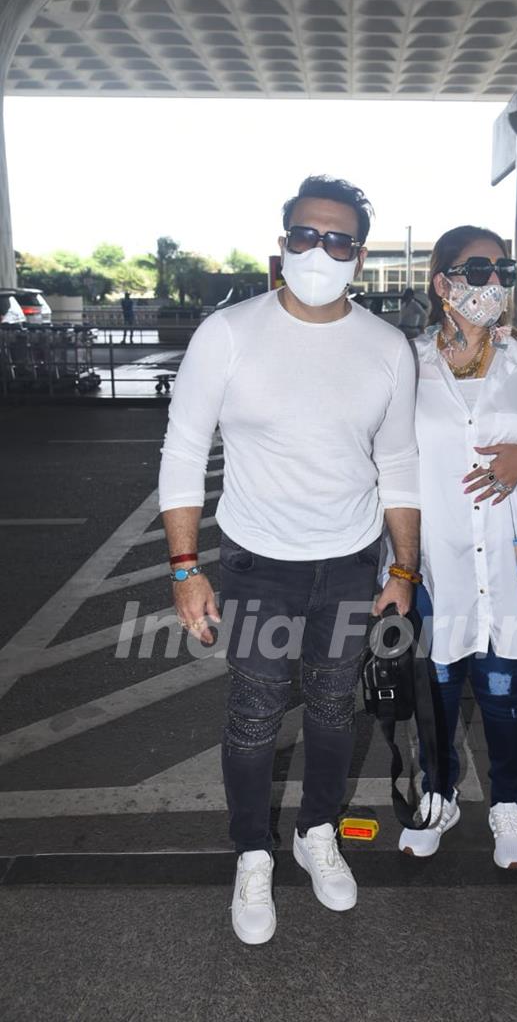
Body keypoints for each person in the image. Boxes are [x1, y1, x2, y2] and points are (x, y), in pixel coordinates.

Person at [158, 175, 421, 945]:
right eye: (305, 235)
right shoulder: (230, 332)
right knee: (255, 711)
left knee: (337, 708)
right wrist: (184, 567)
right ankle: (251, 852)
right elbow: (182, 451)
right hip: (255, 564)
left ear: (360, 256)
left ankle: (318, 833)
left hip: (349, 561)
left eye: (338, 240)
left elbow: (398, 462)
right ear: (283, 243)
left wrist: (402, 569)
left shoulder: (385, 346)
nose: (319, 250)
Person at [395, 225, 517, 869]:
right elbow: (386, 463)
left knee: (506, 695)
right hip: (434, 568)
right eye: (475, 269)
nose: (492, 281)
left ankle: (508, 803)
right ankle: (439, 793)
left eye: (501, 268)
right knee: (436, 690)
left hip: (512, 570)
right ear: (441, 281)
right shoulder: (408, 362)